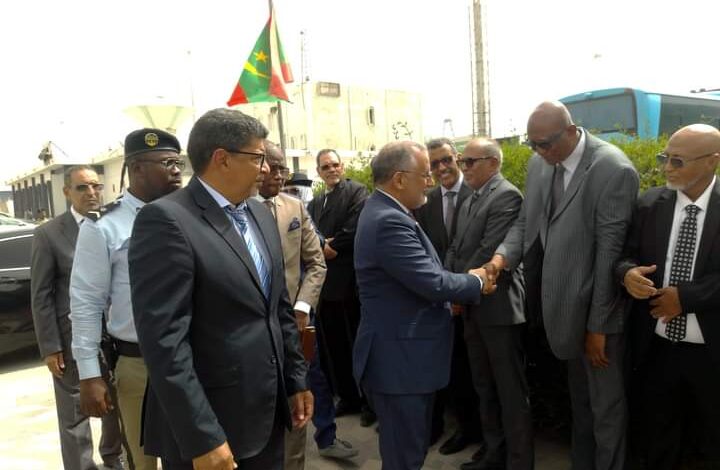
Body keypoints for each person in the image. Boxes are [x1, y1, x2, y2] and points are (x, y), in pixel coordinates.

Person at [127, 109, 312, 470]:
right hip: (212, 428)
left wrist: (295, 380)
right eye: (257, 158)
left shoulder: (259, 214)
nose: (266, 169)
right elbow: (165, 342)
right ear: (222, 159)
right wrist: (203, 436)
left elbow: (277, 308)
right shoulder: (167, 220)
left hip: (267, 415)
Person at [486, 101, 639, 470]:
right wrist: (500, 259)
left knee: (606, 410)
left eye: (545, 144)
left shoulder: (613, 169)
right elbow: (527, 222)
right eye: (533, 144)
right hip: (560, 311)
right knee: (581, 405)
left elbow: (609, 255)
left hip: (598, 314)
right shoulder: (541, 163)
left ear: (571, 131)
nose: (539, 152)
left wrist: (598, 327)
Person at [353, 140, 493, 470]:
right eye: (424, 174)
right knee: (404, 458)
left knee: (408, 453)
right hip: (400, 364)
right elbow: (432, 282)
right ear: (400, 179)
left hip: (403, 359)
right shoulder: (388, 220)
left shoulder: (389, 212)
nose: (430, 181)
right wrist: (477, 281)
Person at [70, 128, 184, 470]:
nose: (177, 171)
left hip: (189, 356)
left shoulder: (187, 215)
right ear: (136, 168)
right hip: (138, 364)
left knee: (195, 455)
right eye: (167, 163)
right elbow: (86, 303)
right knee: (143, 459)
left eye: (178, 163)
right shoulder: (103, 225)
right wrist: (90, 374)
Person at [616, 124, 720, 469]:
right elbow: (625, 256)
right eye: (665, 158)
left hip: (711, 352)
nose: (667, 169)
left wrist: (686, 298)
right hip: (657, 348)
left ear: (712, 161)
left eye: (678, 161)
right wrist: (627, 275)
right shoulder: (650, 203)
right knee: (658, 442)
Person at [256, 142, 357, 467]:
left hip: (297, 320)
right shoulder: (235, 210)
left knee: (312, 378)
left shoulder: (295, 208)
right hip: (254, 326)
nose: (279, 175)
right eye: (272, 167)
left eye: (283, 168)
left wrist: (303, 306)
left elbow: (316, 262)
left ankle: (326, 437)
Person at [445, 138, 533, 470]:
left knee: (510, 391)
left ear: (493, 163)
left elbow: (488, 251)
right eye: (462, 161)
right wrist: (450, 285)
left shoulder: (507, 195)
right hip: (471, 304)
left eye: (470, 161)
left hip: (498, 309)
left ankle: (519, 462)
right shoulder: (470, 196)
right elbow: (455, 246)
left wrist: (457, 287)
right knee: (484, 385)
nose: (463, 168)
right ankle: (494, 454)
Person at [31, 165, 123, 470]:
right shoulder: (49, 234)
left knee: (116, 406)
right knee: (74, 414)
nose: (91, 193)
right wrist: (50, 347)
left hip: (115, 335)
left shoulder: (113, 223)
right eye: (82, 187)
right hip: (70, 339)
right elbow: (41, 295)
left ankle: (114, 458)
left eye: (96, 186)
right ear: (67, 192)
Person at [414, 137, 483, 454]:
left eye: (446, 160)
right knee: (449, 366)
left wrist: (459, 291)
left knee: (474, 371)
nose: (442, 167)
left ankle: (474, 430)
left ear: (457, 158)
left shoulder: (477, 193)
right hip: (439, 298)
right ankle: (446, 426)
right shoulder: (425, 201)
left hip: (474, 296)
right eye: (434, 164)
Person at [307, 149, 374, 424]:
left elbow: (356, 227)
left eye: (335, 164)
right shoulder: (315, 202)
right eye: (325, 167)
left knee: (359, 344)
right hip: (325, 286)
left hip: (350, 284)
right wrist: (323, 245)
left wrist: (330, 245)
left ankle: (370, 403)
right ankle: (348, 397)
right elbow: (309, 231)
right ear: (319, 172)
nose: (331, 169)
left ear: (342, 166)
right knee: (335, 348)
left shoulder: (356, 192)